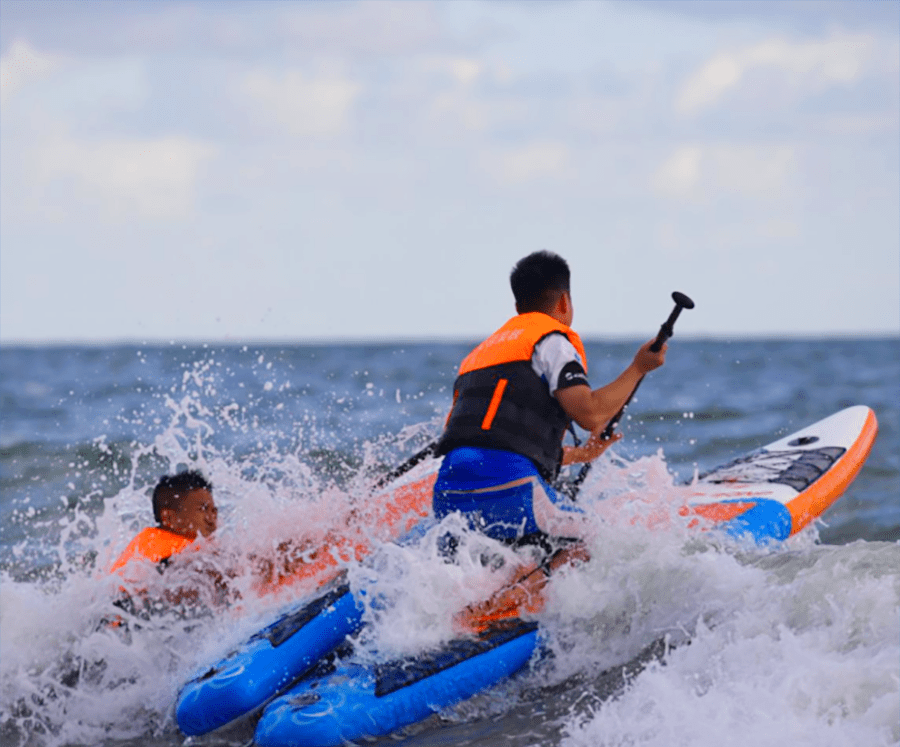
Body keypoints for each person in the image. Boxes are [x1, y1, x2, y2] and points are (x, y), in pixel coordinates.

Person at [433, 250, 666, 552]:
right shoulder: (552, 342)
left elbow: (494, 440)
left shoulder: (477, 357)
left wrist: (580, 456)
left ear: (518, 306)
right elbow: (590, 415)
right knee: (603, 542)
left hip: (448, 497)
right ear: (564, 302)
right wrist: (638, 368)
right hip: (511, 492)